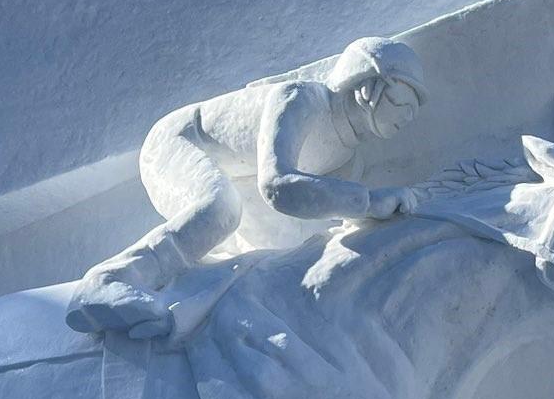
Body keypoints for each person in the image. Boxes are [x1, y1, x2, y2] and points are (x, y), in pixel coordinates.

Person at [66, 36, 429, 337]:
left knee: (265, 260)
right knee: (219, 210)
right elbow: (277, 185)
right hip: (179, 142)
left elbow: (310, 214)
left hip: (240, 176)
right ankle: (110, 280)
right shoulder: (302, 99)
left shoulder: (346, 156)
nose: (408, 118)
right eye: (402, 101)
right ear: (367, 87)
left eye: (414, 110)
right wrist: (366, 202)